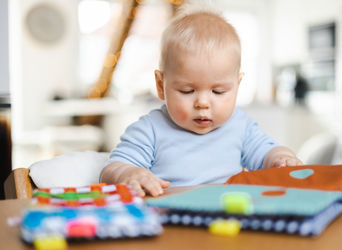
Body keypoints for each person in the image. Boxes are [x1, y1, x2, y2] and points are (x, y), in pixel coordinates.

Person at [100, 6, 303, 197]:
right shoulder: (150, 129)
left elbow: (266, 153)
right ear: (161, 86)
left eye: (218, 91)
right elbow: (112, 169)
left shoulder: (241, 127)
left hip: (228, 216)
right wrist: (128, 174)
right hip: (171, 219)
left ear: (237, 85)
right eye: (187, 91)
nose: (203, 103)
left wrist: (282, 158)